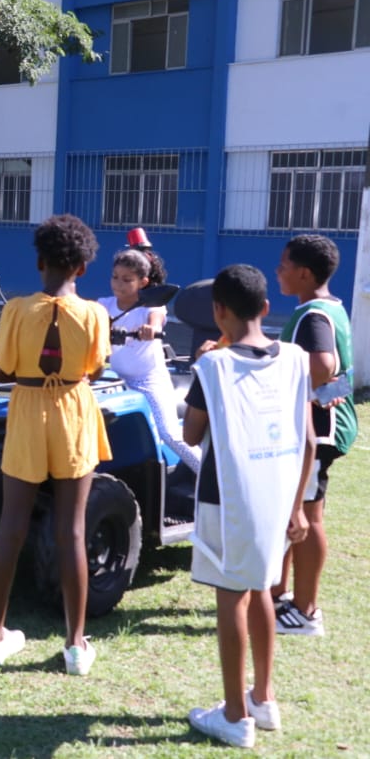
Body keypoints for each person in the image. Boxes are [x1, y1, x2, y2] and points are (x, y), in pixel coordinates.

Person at [183, 264, 315, 748]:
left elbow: (191, 434)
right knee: (262, 589)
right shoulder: (296, 358)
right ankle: (263, 697)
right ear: (265, 308)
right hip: (278, 493)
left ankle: (236, 716)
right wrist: (299, 506)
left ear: (218, 312)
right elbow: (308, 440)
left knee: (231, 596)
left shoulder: (214, 366)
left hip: (230, 496)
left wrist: (208, 362)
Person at [0, 214, 109, 676]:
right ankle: (76, 645)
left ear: (40, 262)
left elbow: (2, 372)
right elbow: (96, 368)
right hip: (74, 413)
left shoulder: (16, 308)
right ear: (82, 267)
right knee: (72, 530)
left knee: (11, 525)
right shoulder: (95, 312)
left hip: (28, 411)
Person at [270, 234, 358, 638]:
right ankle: (280, 596)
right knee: (296, 513)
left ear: (304, 274)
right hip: (326, 426)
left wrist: (278, 373)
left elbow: (323, 365)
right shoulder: (330, 307)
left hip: (318, 434)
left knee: (308, 517)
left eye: (284, 265)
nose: (278, 271)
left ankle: (306, 612)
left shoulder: (313, 316)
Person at [97, 249, 200, 471]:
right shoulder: (104, 305)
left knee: (169, 433)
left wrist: (150, 330)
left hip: (148, 380)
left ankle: (212, 478)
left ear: (143, 282)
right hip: (114, 381)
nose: (118, 284)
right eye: (115, 276)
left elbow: (156, 320)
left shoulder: (151, 306)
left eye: (127, 280)